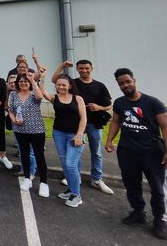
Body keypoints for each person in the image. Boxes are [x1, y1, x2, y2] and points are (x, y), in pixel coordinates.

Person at [105, 68, 167, 240]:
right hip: (127, 151)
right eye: (121, 83)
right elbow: (116, 121)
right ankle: (138, 212)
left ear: (134, 80)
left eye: (127, 81)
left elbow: (165, 126)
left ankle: (159, 221)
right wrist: (109, 140)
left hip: (151, 152)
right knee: (131, 184)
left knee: (157, 189)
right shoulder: (119, 103)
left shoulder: (153, 103)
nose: (125, 85)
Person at [51, 60, 114, 195]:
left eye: (86, 68)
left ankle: (97, 179)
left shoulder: (99, 85)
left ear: (92, 68)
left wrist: (99, 107)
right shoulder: (73, 84)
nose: (84, 71)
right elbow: (55, 80)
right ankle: (76, 176)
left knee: (96, 151)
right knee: (74, 153)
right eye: (81, 68)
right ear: (77, 70)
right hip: (74, 125)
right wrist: (62, 65)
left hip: (94, 123)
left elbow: (108, 105)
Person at [40, 72, 87, 206]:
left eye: (63, 85)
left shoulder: (78, 99)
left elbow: (83, 118)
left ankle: (76, 195)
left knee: (70, 164)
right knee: (65, 162)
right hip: (59, 133)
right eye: (58, 85)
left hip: (75, 135)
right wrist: (42, 78)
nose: (60, 87)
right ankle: (71, 189)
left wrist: (79, 135)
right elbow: (43, 92)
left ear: (70, 86)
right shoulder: (55, 98)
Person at [8, 72, 49, 198]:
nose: (23, 83)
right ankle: (27, 178)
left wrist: (33, 81)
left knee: (39, 155)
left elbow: (40, 97)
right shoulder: (13, 94)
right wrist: (14, 120)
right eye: (21, 81)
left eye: (25, 81)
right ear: (17, 83)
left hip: (36, 130)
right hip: (20, 130)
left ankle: (44, 183)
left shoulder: (33, 93)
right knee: (24, 154)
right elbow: (10, 110)